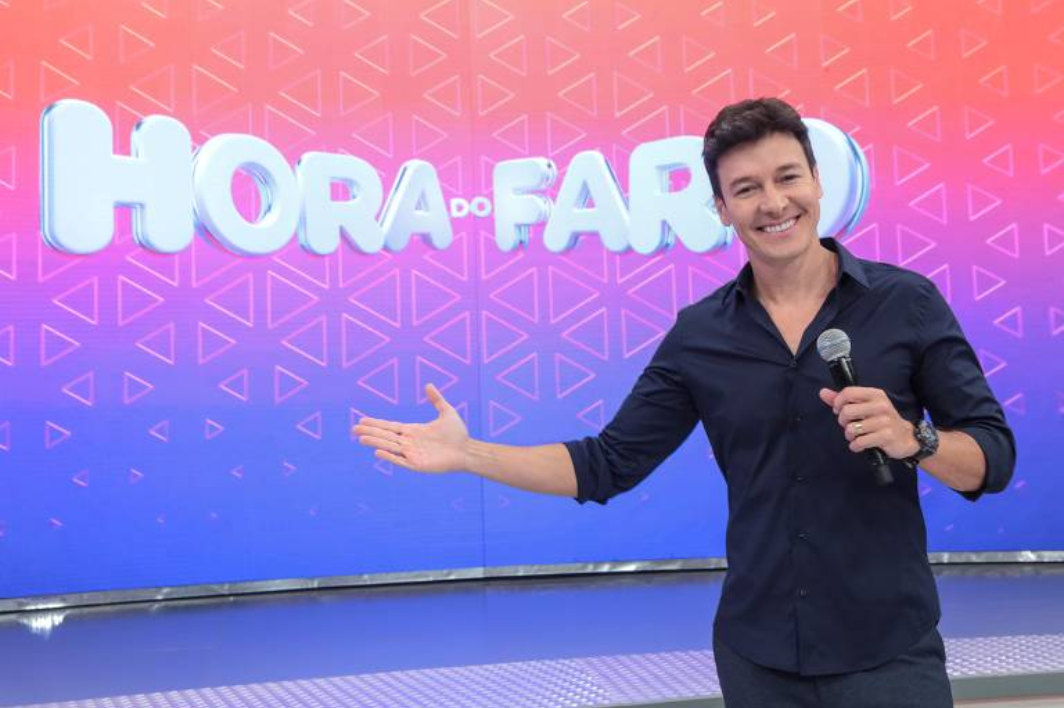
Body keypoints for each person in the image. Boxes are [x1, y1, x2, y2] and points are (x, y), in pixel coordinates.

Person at [353, 97, 1016, 707]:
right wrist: (470, 454)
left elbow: (993, 458)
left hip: (887, 650)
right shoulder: (701, 335)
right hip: (758, 657)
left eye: (788, 177)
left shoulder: (906, 303)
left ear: (817, 182)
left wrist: (915, 440)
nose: (773, 203)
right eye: (746, 189)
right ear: (722, 208)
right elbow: (607, 464)